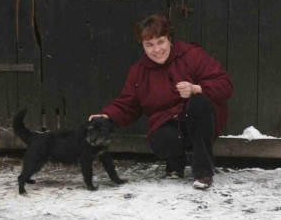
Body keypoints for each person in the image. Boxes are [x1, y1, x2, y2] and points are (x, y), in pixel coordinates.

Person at [89, 12, 233, 190]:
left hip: (201, 120)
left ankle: (203, 170)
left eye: (161, 42)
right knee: (161, 138)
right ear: (142, 45)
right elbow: (127, 104)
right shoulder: (138, 72)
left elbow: (225, 84)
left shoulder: (192, 55)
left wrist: (197, 88)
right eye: (149, 45)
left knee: (199, 103)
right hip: (169, 123)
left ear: (169, 38)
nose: (156, 50)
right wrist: (106, 115)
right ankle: (175, 163)